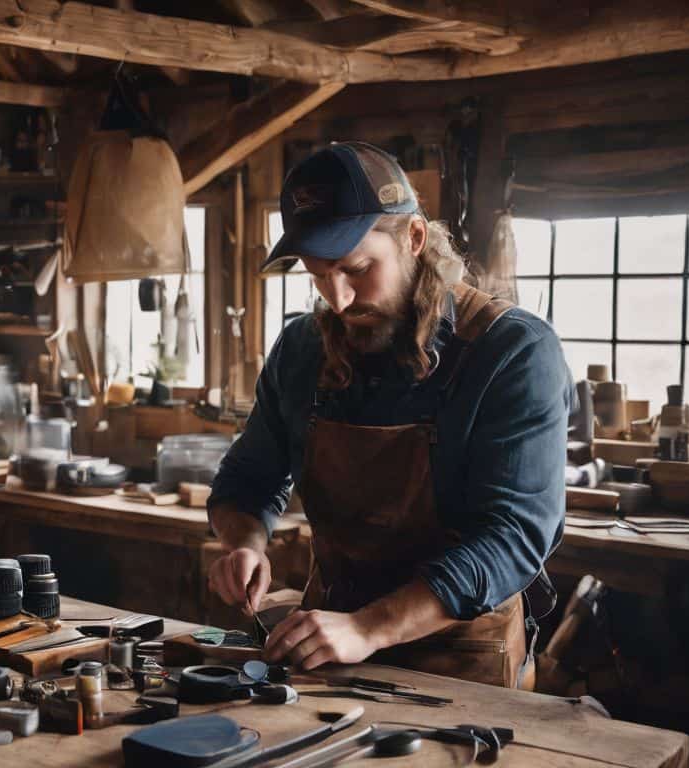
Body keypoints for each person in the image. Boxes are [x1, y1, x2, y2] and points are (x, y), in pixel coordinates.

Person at [206, 142, 569, 688]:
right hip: (326, 653)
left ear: (415, 239)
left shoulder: (512, 352)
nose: (340, 299)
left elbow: (512, 539)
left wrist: (369, 628)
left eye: (356, 269)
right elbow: (246, 482)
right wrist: (244, 545)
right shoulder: (303, 350)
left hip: (462, 666)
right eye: (319, 277)